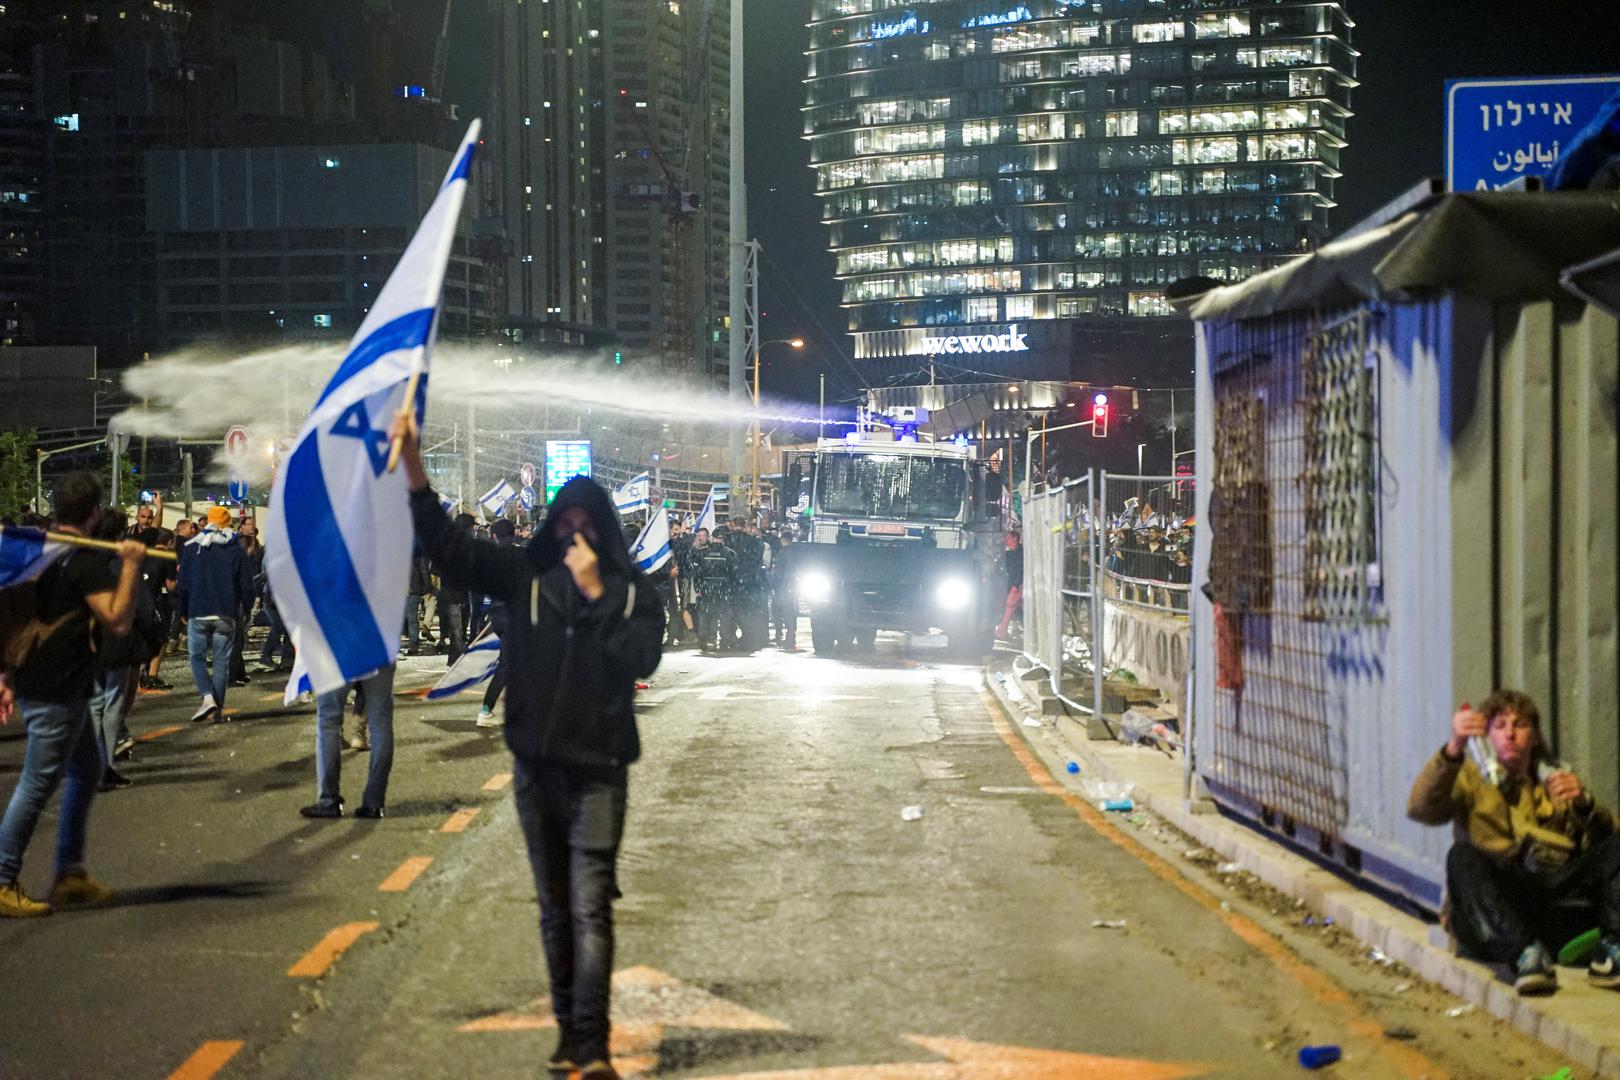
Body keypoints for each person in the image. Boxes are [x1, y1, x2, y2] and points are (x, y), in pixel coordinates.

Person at [397, 413, 663, 1080]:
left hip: (600, 771)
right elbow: (449, 547)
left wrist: (601, 592)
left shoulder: (632, 594)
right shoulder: (524, 579)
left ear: (603, 533)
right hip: (536, 770)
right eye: (565, 523)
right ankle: (570, 1034)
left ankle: (593, 1039)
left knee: (591, 903)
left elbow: (643, 657)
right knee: (554, 909)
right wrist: (413, 471)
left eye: (587, 525)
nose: (575, 535)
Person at [0, 472, 147, 918]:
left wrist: (6, 675)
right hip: (56, 687)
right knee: (37, 782)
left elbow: (21, 614)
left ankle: (69, 873)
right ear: (94, 513)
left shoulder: (42, 553)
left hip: (52, 681)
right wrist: (130, 564)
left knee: (85, 768)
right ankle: (3, 878)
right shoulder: (82, 561)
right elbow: (117, 620)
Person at [1408, 690, 1620, 995]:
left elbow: (1604, 847)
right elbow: (1420, 808)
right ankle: (1526, 955)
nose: (1510, 733)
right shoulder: (1471, 777)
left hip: (1552, 903)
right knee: (1462, 857)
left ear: (1533, 736)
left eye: (1519, 724)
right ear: (1487, 736)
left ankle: (1611, 951)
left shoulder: (1556, 780)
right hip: (1498, 910)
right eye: (1499, 725)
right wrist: (1454, 748)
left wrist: (1586, 805)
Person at [175, 506, 254, 724]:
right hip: (226, 612)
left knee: (197, 658)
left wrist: (182, 610)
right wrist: (245, 610)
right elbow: (247, 585)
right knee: (221, 662)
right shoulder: (236, 549)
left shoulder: (192, 549)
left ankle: (207, 696)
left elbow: (183, 584)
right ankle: (216, 712)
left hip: (198, 611)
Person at [299, 665, 397, 820]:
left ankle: (329, 801)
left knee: (329, 722)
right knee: (381, 725)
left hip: (337, 652)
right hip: (379, 651)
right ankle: (374, 804)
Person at [692, 526, 737, 654]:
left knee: (705, 615)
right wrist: (732, 589)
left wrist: (698, 588)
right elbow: (734, 574)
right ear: (723, 539)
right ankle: (724, 642)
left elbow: (696, 573)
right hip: (724, 588)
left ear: (712, 537)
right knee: (724, 616)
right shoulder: (729, 553)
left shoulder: (702, 552)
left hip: (707, 587)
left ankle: (704, 641)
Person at [771, 530, 799, 651]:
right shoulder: (795, 552)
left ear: (783, 540)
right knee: (790, 613)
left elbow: (780, 571)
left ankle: (783, 636)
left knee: (780, 611)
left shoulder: (783, 553)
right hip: (790, 586)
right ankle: (790, 637)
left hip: (783, 586)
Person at [994, 529, 1023, 641]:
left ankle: (1001, 632)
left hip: (1016, 586)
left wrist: (1016, 585)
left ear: (1015, 538)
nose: (1006, 540)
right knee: (1013, 609)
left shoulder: (1018, 554)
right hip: (1015, 586)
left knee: (1009, 608)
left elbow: (1018, 571)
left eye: (1008, 538)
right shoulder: (1012, 553)